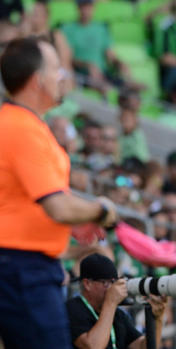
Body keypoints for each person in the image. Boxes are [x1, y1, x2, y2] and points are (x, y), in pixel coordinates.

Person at [0, 37, 118, 349]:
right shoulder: (21, 128)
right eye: (56, 69)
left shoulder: (25, 125)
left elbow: (37, 202)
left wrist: (74, 222)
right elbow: (58, 207)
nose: (63, 75)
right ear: (38, 80)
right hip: (21, 268)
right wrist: (101, 210)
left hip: (25, 267)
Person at [66, 253, 168, 349]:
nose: (112, 288)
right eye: (105, 282)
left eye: (114, 282)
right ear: (87, 284)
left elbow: (143, 346)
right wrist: (110, 302)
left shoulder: (117, 314)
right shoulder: (72, 308)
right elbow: (93, 346)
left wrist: (157, 319)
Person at [62, 0, 130, 95]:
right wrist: (87, 65)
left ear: (93, 8)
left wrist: (120, 63)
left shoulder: (101, 29)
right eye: (83, 7)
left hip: (103, 74)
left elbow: (110, 55)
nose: (86, 10)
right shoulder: (68, 29)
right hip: (81, 75)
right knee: (105, 89)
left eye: (89, 7)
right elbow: (68, 59)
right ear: (78, 8)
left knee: (132, 88)